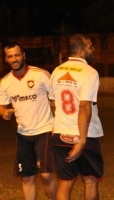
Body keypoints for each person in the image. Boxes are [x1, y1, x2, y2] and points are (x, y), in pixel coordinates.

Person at [49, 34, 104, 200]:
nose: (93, 49)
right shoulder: (89, 72)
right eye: (89, 46)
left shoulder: (57, 71)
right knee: (90, 180)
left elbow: (53, 103)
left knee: (65, 182)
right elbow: (85, 106)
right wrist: (81, 140)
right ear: (80, 52)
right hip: (86, 133)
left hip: (60, 133)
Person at [0, 42, 57, 200]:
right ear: (6, 59)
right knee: (27, 177)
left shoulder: (41, 75)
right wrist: (3, 111)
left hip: (44, 130)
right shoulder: (5, 83)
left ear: (24, 55)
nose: (14, 59)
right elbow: (1, 105)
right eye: (10, 56)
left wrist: (57, 123)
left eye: (17, 55)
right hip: (23, 134)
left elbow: (54, 100)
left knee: (46, 175)